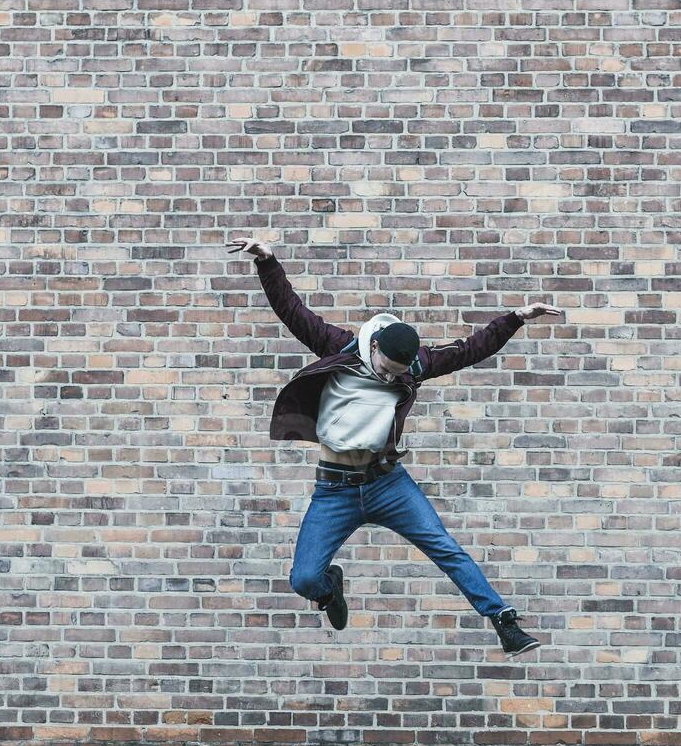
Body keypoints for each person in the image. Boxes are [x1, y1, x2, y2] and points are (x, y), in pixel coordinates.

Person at [225, 236, 561, 656]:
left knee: (446, 548)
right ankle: (331, 588)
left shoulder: (414, 365)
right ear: (375, 346)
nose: (390, 377)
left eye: (398, 373)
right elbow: (292, 312)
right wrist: (268, 263)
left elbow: (471, 349)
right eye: (385, 368)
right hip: (335, 490)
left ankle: (504, 621)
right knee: (304, 580)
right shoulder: (340, 347)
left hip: (388, 484)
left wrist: (515, 318)